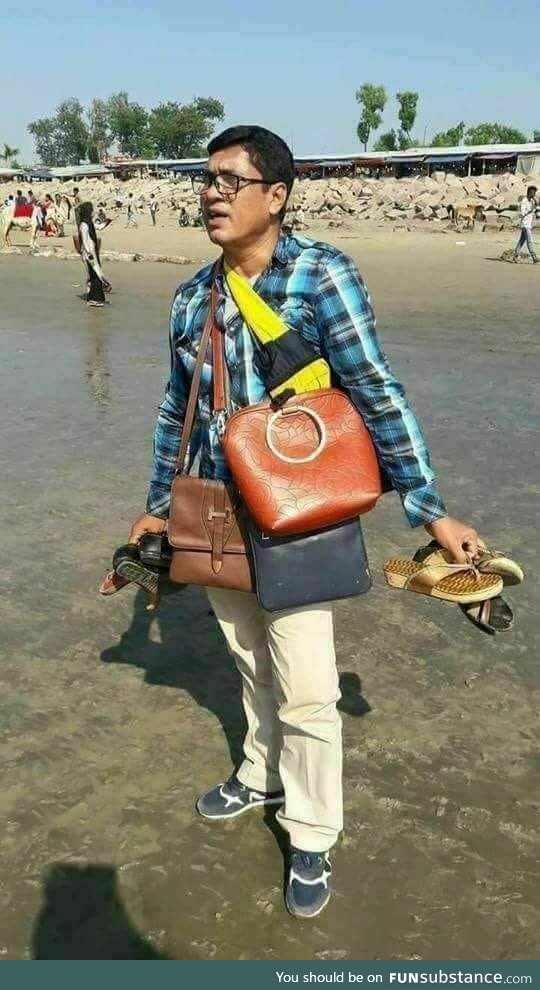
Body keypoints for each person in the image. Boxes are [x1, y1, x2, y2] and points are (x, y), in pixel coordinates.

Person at [127, 125, 481, 919]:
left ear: (276, 196)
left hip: (299, 518)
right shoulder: (194, 297)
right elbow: (172, 414)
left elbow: (375, 391)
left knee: (309, 688)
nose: (211, 193)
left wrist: (429, 509)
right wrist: (157, 508)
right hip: (217, 512)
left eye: (230, 180)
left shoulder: (321, 278)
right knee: (248, 662)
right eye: (205, 179)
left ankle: (313, 829)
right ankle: (260, 774)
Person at [77, 201, 110, 307]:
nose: (93, 212)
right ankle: (93, 299)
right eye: (91, 210)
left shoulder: (89, 222)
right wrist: (89, 253)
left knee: (95, 274)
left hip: (93, 252)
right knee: (94, 275)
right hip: (89, 254)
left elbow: (99, 227)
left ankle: (93, 297)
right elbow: (85, 240)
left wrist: (107, 222)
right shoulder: (84, 225)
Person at [513, 185, 538, 263]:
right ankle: (534, 257)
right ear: (529, 192)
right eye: (533, 192)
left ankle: (515, 255)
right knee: (529, 240)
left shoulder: (531, 201)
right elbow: (523, 213)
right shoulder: (524, 201)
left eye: (535, 193)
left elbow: (536, 206)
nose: (534, 194)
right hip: (525, 224)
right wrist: (531, 210)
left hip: (528, 224)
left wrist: (535, 202)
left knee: (521, 241)